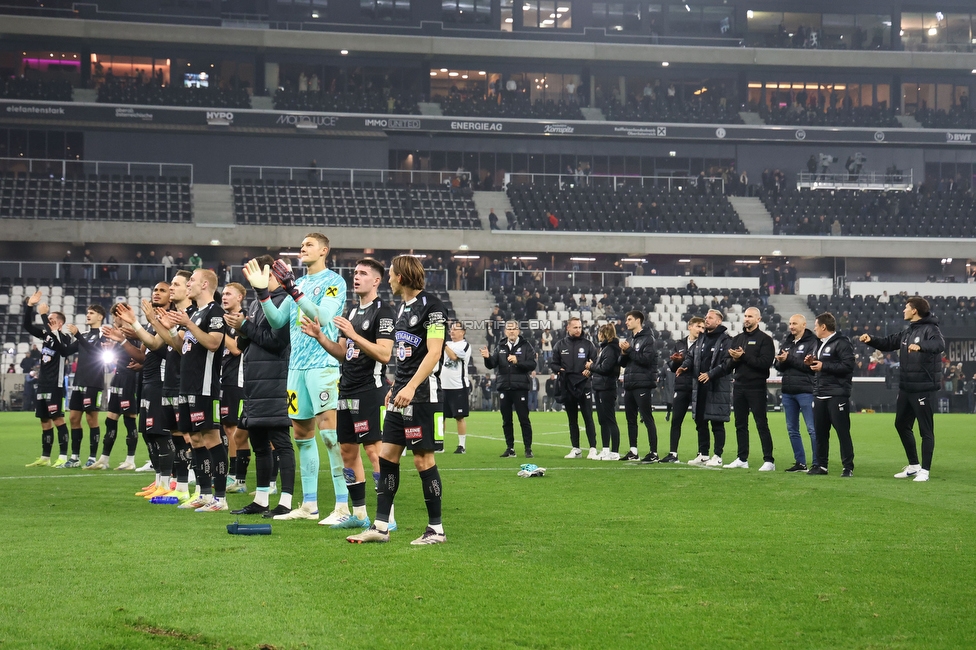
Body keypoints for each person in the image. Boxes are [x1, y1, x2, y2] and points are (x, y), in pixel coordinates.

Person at [243, 233, 348, 524]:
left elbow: (323, 318)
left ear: (324, 250)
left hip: (322, 366)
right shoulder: (298, 284)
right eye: (301, 245)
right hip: (296, 368)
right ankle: (309, 505)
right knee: (302, 437)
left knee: (329, 436)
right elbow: (277, 321)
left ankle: (342, 506)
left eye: (309, 245)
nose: (303, 248)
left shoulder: (334, 282)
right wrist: (264, 294)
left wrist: (292, 290)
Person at [347, 255, 448, 545]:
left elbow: (433, 353)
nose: (389, 279)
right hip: (400, 395)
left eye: (390, 275)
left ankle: (436, 529)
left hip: (423, 395)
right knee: (386, 456)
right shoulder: (402, 308)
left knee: (422, 459)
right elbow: (405, 354)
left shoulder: (434, 308)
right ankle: (380, 527)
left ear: (400, 278)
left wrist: (411, 387)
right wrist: (397, 386)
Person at [302, 257, 397, 529]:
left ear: (376, 281)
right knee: (347, 451)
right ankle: (359, 514)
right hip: (346, 390)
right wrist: (321, 337)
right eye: (355, 273)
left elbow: (385, 353)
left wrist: (354, 334)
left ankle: (387, 516)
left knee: (374, 452)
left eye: (363, 273)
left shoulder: (384, 312)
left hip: (370, 390)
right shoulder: (353, 312)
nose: (356, 277)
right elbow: (343, 354)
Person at [225, 255, 296, 517]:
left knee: (281, 441)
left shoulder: (285, 301)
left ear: (271, 273)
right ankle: (262, 499)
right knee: (258, 444)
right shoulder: (257, 302)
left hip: (276, 379)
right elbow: (245, 345)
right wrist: (240, 329)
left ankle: (286, 501)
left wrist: (245, 325)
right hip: (254, 383)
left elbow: (277, 342)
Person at [859, 297, 944, 482]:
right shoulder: (908, 332)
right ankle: (914, 466)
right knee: (901, 424)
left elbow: (939, 345)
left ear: (914, 311)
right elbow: (889, 343)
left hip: (923, 387)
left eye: (906, 307)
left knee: (925, 430)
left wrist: (921, 346)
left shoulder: (931, 329)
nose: (903, 310)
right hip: (907, 386)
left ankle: (926, 471)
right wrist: (871, 340)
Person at [169, 268, 229, 511]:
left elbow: (214, 343)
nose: (189, 284)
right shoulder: (194, 314)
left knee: (211, 437)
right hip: (187, 384)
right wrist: (169, 327)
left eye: (192, 280)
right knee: (194, 438)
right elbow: (179, 346)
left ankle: (221, 498)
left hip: (205, 385)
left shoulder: (216, 311)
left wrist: (187, 324)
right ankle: (204, 494)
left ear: (205, 284)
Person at [55, 304, 108, 468]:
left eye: (92, 313)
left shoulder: (103, 335)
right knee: (73, 418)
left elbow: (95, 353)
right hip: (79, 382)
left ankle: (92, 457)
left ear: (100, 317)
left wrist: (78, 335)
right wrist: (55, 333)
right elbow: (65, 352)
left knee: (92, 419)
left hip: (94, 383)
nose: (88, 315)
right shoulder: (83, 335)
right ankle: (75, 457)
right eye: (87, 313)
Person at [22, 291, 71, 468]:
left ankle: (64, 457)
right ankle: (45, 457)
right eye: (47, 319)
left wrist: (43, 313)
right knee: (44, 420)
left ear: (59, 323)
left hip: (55, 385)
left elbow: (56, 338)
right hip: (42, 383)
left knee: (58, 419)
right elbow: (27, 325)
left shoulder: (64, 338)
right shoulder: (46, 335)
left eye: (51, 319)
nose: (47, 321)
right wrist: (29, 307)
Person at [677, 309, 732, 467]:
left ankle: (718, 455)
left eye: (710, 318)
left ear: (718, 321)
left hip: (717, 386)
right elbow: (690, 356)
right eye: (706, 317)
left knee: (717, 422)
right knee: (700, 421)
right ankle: (703, 453)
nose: (706, 320)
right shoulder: (701, 339)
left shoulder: (725, 340)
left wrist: (710, 374)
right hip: (699, 385)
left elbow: (727, 363)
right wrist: (684, 366)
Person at [724, 307, 776, 471]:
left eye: (750, 316)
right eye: (745, 316)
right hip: (739, 385)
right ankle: (742, 458)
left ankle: (769, 460)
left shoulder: (765, 340)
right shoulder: (737, 338)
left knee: (761, 423)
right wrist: (734, 359)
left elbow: (765, 363)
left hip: (756, 386)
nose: (746, 318)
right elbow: (728, 363)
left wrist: (744, 356)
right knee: (740, 424)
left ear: (758, 319)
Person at [90, 310, 142, 471]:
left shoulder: (134, 332)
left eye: (115, 317)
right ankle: (104, 459)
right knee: (110, 419)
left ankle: (130, 460)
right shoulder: (118, 333)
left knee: (129, 419)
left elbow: (141, 353)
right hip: (118, 376)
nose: (113, 320)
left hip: (130, 378)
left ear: (121, 316)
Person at [807, 312, 856, 477]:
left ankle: (847, 467)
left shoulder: (842, 343)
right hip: (820, 393)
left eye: (815, 326)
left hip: (837, 394)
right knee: (820, 432)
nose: (814, 329)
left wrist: (823, 366)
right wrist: (811, 362)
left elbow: (848, 366)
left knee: (842, 432)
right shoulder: (818, 343)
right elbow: (820, 365)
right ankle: (821, 466)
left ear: (823, 327)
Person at [482, 320, 536, 458]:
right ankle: (510, 448)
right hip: (504, 387)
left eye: (514, 328)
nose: (511, 331)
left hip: (520, 387)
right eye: (509, 329)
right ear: (505, 331)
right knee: (506, 420)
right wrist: (487, 358)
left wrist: (518, 361)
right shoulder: (500, 346)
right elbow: (492, 364)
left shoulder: (526, 345)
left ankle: (528, 448)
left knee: (524, 419)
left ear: (518, 331)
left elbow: (532, 364)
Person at [774, 314, 818, 472]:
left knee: (812, 429)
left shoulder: (812, 342)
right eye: (790, 323)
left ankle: (817, 463)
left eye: (794, 323)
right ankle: (800, 462)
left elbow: (810, 367)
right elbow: (778, 366)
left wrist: (789, 359)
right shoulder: (787, 342)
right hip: (788, 391)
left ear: (804, 325)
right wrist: (780, 361)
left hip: (806, 390)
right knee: (792, 429)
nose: (791, 326)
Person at [551, 317, 598, 459]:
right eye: (575, 327)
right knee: (572, 420)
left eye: (580, 327)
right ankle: (576, 449)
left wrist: (590, 371)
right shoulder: (560, 345)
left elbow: (596, 363)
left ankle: (593, 448)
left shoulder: (588, 344)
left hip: (584, 385)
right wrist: (559, 370)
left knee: (588, 418)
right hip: (568, 386)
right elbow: (553, 364)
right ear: (568, 328)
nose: (578, 330)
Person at [659, 318, 704, 463]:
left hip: (698, 386)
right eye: (698, 326)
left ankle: (702, 453)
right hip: (681, 386)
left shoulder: (704, 344)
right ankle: (673, 453)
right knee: (676, 420)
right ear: (690, 327)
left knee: (700, 421)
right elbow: (672, 368)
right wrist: (676, 361)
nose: (701, 329)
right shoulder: (679, 344)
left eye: (703, 327)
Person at [220, 283, 249, 494]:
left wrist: (220, 332)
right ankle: (233, 476)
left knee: (237, 431)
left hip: (238, 381)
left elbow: (237, 349)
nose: (224, 297)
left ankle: (238, 478)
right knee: (227, 429)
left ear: (240, 297)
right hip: (222, 379)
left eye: (228, 293)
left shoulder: (244, 319)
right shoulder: (222, 319)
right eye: (223, 293)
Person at [618, 310, 658, 462]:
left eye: (629, 319)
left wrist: (629, 351)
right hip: (630, 383)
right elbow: (622, 363)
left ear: (638, 320)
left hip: (642, 384)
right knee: (630, 419)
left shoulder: (649, 339)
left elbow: (646, 360)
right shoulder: (631, 339)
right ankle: (633, 451)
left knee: (647, 417)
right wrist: (623, 353)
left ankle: (653, 452)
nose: (626, 322)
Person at [586, 323, 622, 460]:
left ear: (603, 334)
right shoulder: (606, 348)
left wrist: (591, 366)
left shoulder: (611, 349)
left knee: (609, 419)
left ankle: (614, 452)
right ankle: (606, 449)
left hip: (607, 387)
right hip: (601, 386)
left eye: (599, 333)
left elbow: (605, 368)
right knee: (603, 420)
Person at [442, 321, 472, 453]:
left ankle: (462, 445)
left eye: (455, 329)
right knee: (440, 417)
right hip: (443, 385)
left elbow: (454, 357)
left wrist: (443, 344)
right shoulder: (447, 344)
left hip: (458, 386)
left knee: (459, 417)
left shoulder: (465, 345)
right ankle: (439, 444)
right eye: (451, 329)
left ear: (463, 332)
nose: (452, 332)